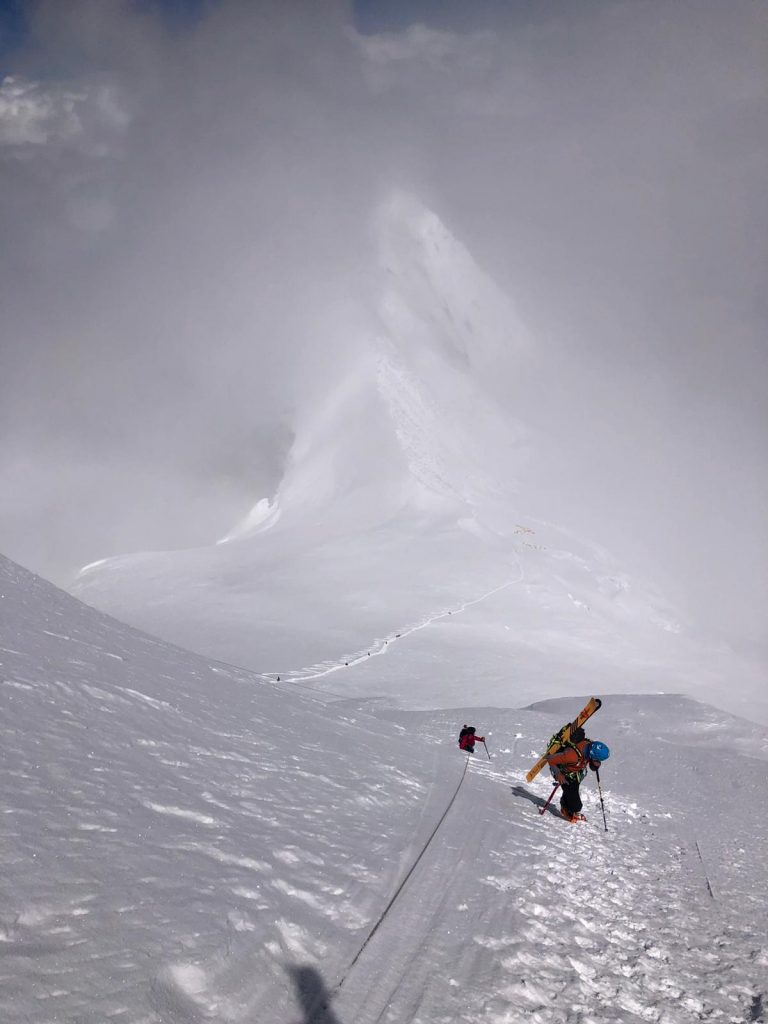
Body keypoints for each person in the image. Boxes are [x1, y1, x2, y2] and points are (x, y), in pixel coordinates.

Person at [546, 727, 610, 822]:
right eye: (597, 760)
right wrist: (558, 774)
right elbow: (550, 759)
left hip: (576, 772)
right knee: (576, 806)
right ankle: (567, 809)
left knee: (573, 794)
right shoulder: (572, 756)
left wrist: (595, 764)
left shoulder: (589, 746)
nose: (598, 762)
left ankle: (567, 805)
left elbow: (590, 763)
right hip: (564, 774)